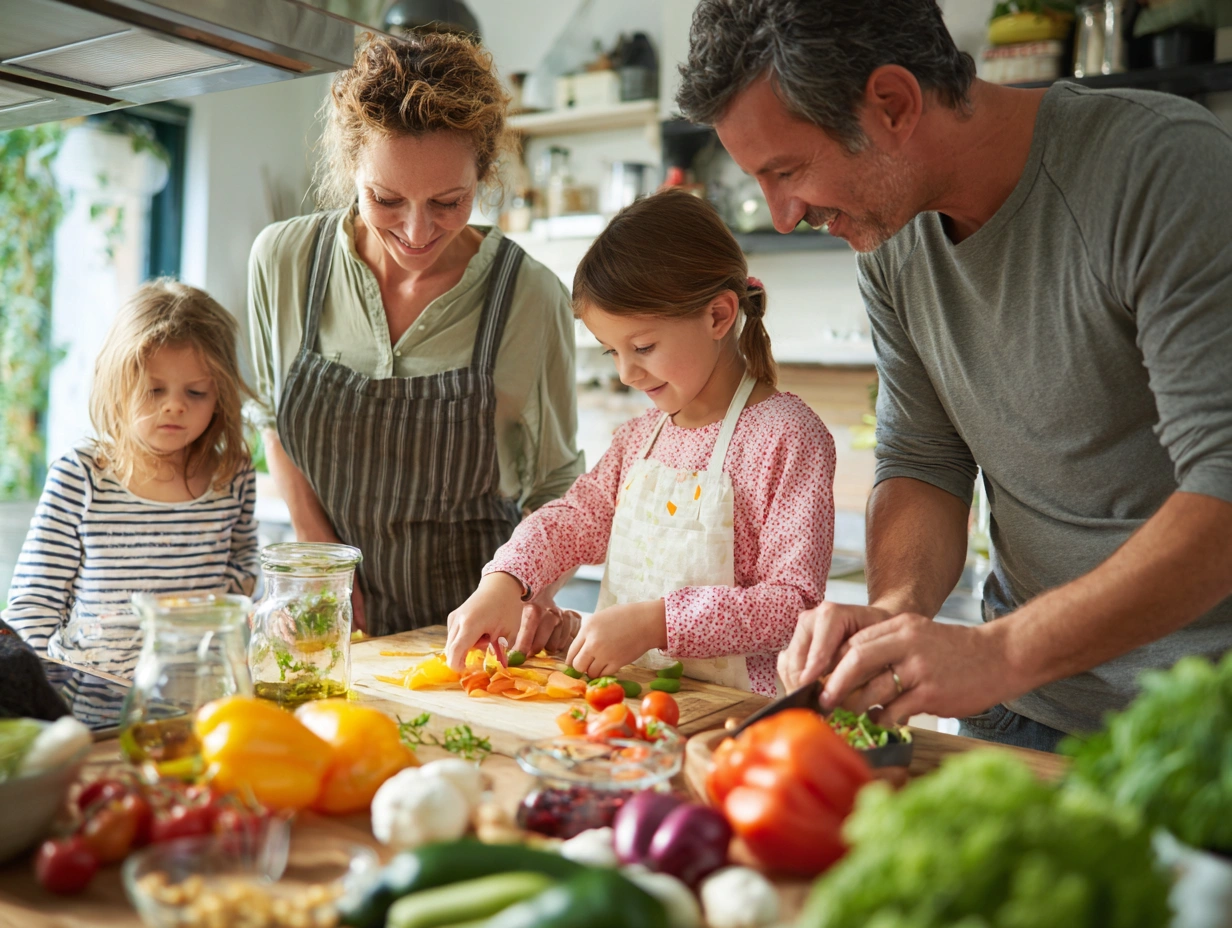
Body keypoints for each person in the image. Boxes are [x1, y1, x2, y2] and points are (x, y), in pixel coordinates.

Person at [676, 0, 1232, 749]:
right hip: (1022, 712)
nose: (781, 215)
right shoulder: (892, 243)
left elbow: (1224, 488)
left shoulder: (1160, 170)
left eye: (789, 170)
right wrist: (894, 613)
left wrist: (999, 652)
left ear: (894, 105)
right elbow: (924, 460)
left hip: (1201, 722)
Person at [248, 32, 582, 638]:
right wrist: (328, 571)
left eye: (449, 201)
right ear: (351, 168)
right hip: (329, 622)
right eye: (386, 198)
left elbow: (558, 490)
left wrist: (524, 596)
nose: (418, 231)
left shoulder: (530, 296)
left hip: (474, 644)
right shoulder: (285, 261)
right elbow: (274, 420)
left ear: (482, 174)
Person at [445, 189, 836, 697]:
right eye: (612, 351)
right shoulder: (639, 439)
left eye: (644, 347)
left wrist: (658, 624)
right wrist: (505, 579)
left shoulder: (787, 437)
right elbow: (574, 518)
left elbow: (795, 606)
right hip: (626, 711)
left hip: (738, 721)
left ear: (719, 316)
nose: (627, 373)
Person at [3, 279, 259, 679]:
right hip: (86, 695)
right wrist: (36, 699)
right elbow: (33, 605)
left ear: (221, 395)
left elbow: (243, 573)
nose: (174, 405)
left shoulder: (233, 476)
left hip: (193, 694)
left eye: (195, 393)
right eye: (154, 389)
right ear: (117, 385)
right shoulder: (81, 476)